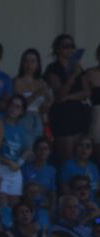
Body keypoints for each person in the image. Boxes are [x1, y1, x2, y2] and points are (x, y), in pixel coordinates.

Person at [44, 34, 90, 163]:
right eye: (65, 46)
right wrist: (72, 76)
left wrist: (70, 97)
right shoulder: (53, 68)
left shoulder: (78, 66)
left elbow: (86, 92)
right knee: (67, 160)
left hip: (80, 116)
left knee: (82, 158)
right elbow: (59, 95)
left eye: (71, 46)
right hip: (63, 118)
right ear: (57, 49)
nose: (69, 49)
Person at [13, 49, 52, 154]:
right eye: (26, 61)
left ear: (38, 64)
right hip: (23, 118)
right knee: (25, 149)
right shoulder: (17, 81)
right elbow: (19, 104)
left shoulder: (41, 82)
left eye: (32, 61)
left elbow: (44, 108)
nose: (29, 64)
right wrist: (36, 94)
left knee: (37, 149)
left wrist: (48, 100)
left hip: (38, 119)